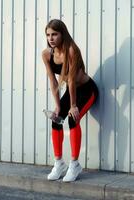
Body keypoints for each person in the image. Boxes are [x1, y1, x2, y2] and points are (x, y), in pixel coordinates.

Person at [42, 19, 98, 182]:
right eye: (48, 35)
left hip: (87, 90)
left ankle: (74, 164)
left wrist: (73, 106)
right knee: (56, 120)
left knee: (73, 119)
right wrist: (58, 106)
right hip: (71, 91)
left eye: (54, 34)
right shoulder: (47, 55)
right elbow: (53, 82)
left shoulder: (72, 50)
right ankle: (59, 163)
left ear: (63, 34)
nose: (51, 38)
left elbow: (72, 80)